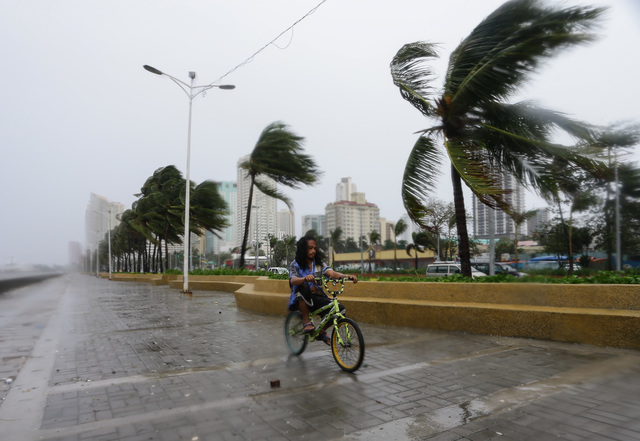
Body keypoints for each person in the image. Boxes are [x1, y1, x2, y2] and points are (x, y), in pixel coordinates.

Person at [288, 235, 358, 345]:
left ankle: (321, 331)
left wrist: (346, 276)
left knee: (340, 308)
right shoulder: (295, 264)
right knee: (304, 285)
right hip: (300, 298)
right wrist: (304, 278)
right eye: (310, 248)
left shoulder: (319, 264)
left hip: (316, 298)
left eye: (314, 248)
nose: (313, 251)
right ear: (303, 249)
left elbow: (332, 273)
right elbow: (293, 280)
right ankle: (306, 321)